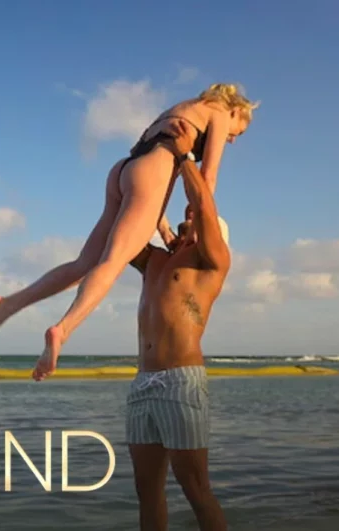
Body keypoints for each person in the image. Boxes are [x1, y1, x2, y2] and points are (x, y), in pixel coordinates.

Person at [0, 83, 257, 380]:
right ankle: (62, 330)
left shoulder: (180, 109)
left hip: (125, 169)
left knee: (84, 264)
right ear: (236, 110)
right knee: (113, 262)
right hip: (153, 171)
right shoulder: (219, 112)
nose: (233, 139)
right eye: (238, 132)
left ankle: (9, 304)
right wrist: (197, 223)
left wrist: (162, 227)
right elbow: (207, 180)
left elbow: (144, 160)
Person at [123, 127, 231, 531]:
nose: (188, 216)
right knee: (146, 490)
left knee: (195, 488)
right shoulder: (155, 261)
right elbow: (128, 231)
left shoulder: (211, 260)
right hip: (143, 384)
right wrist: (148, 167)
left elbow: (203, 204)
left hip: (180, 382)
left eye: (194, 219)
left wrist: (183, 157)